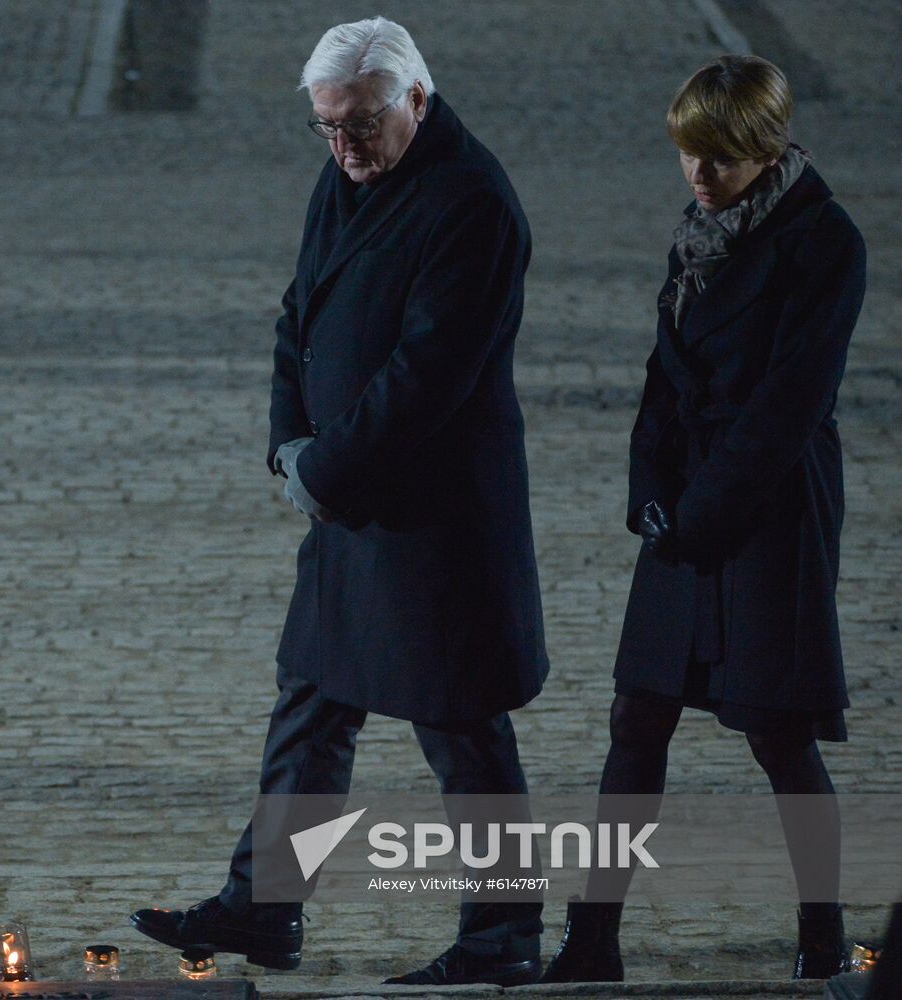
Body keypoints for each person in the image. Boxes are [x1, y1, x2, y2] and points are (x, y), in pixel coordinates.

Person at [129, 17, 550, 987]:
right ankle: (263, 909)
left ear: (414, 99)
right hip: (349, 508)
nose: (343, 147)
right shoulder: (351, 168)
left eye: (359, 124)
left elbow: (426, 375)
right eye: (326, 128)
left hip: (433, 522)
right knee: (312, 707)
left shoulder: (472, 203)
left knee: (462, 724)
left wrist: (326, 470)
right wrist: (289, 440)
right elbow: (300, 312)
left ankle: (504, 935)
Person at [541, 55, 867, 983]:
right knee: (636, 715)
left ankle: (822, 936)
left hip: (768, 510)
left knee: (777, 730)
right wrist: (650, 492)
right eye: (690, 154)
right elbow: (662, 377)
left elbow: (789, 403)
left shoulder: (824, 241)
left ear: (763, 149)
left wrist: (703, 512)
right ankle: (591, 941)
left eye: (718, 157)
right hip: (685, 502)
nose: (699, 173)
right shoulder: (698, 234)